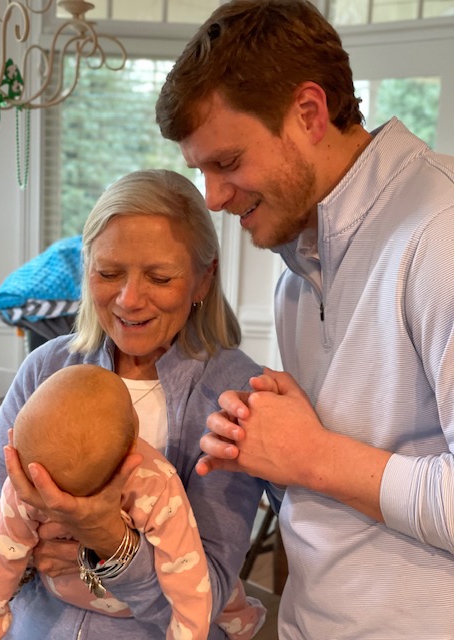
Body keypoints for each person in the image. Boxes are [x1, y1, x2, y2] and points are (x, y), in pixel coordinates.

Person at [155, 1, 454, 639]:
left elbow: (325, 463)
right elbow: (336, 490)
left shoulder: (441, 233)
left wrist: (312, 457)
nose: (213, 197)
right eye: (201, 171)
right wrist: (261, 450)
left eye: (227, 162)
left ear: (310, 113)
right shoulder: (297, 264)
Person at [0, 169, 268, 640]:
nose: (129, 300)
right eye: (108, 273)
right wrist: (22, 548)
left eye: (160, 277)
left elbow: (205, 595)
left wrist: (107, 544)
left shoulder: (233, 394)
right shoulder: (46, 366)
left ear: (203, 279)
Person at [0, 364, 264, 640]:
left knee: (221, 589)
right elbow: (188, 578)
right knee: (213, 587)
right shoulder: (153, 480)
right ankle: (242, 617)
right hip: (113, 604)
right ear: (134, 432)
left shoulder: (26, 479)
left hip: (82, 593)